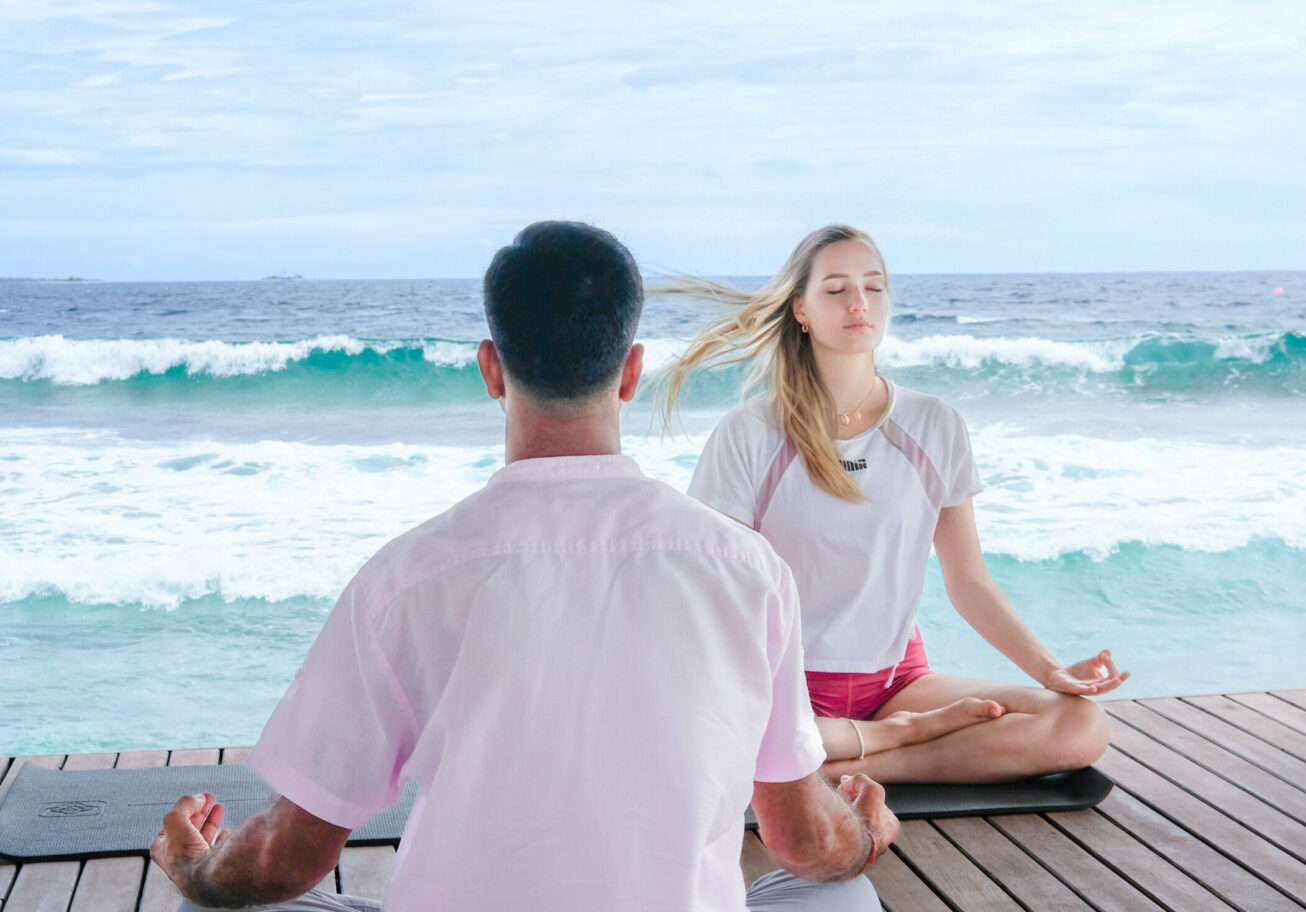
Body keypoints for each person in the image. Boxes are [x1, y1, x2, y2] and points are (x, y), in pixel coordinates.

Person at [150, 221, 900, 912]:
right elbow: (802, 843)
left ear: (491, 369)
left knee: (207, 906)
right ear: (631, 372)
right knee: (845, 898)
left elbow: (288, 860)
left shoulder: (407, 578)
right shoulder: (746, 569)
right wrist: (862, 836)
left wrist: (195, 866)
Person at [659, 224, 1128, 784]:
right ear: (801, 309)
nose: (860, 303)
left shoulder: (934, 425)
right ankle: (843, 749)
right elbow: (715, 598)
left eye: (874, 287)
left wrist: (1053, 672)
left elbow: (970, 582)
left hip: (897, 686)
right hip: (785, 693)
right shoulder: (750, 434)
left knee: (1079, 725)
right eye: (836, 290)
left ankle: (854, 764)